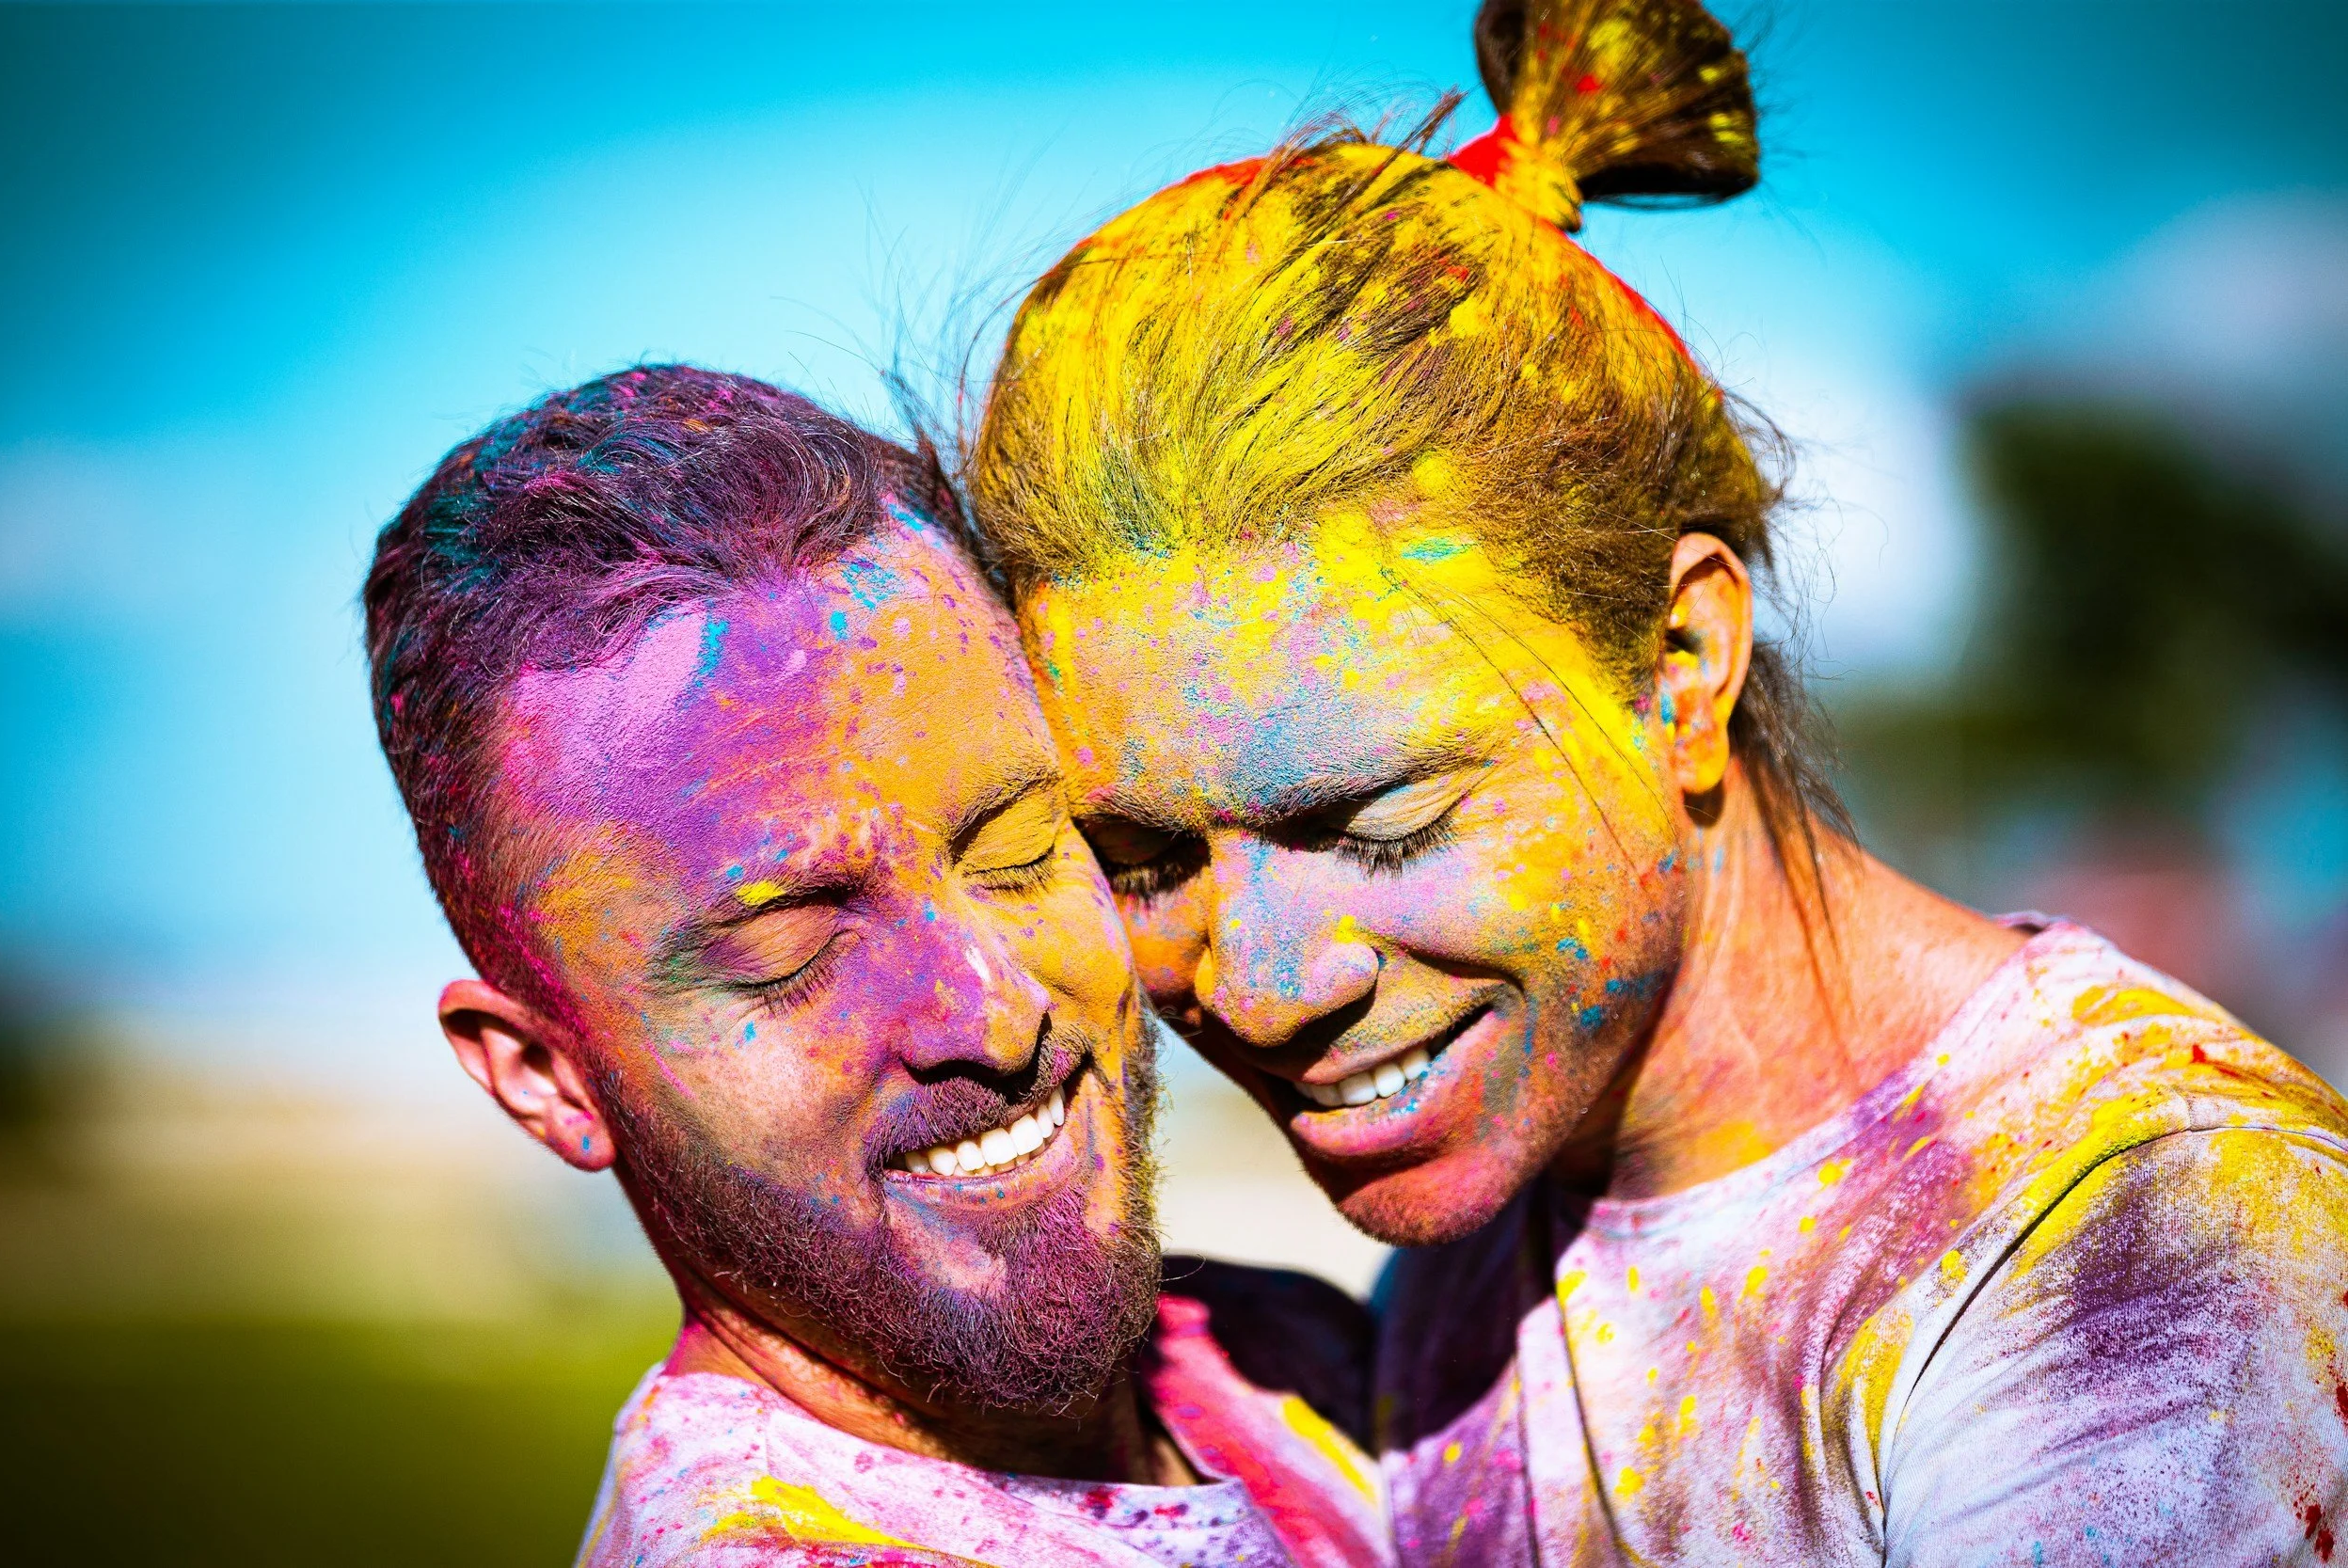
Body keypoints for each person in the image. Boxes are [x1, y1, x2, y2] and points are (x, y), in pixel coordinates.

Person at [964, 0, 2348, 1560]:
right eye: (1144, 856)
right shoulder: (1507, 1212)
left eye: (1373, 822)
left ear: (1681, 663)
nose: (1264, 986)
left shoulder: (2145, 1261)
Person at [363, 365, 1391, 1568]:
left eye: (1014, 848)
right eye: (793, 944)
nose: (995, 1009)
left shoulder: (1293, 1360)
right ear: (546, 1073)